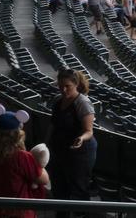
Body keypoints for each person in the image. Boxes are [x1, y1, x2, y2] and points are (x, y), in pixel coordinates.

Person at [0, 112, 49, 217]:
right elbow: (44, 179)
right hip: (21, 213)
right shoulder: (22, 157)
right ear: (17, 135)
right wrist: (39, 162)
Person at [47, 69, 96, 204]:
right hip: (59, 149)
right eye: (60, 86)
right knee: (59, 185)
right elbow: (53, 123)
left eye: (67, 86)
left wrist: (81, 138)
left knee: (78, 187)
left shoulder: (83, 102)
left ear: (76, 84)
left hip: (80, 152)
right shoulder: (58, 100)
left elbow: (88, 131)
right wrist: (47, 142)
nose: (63, 89)